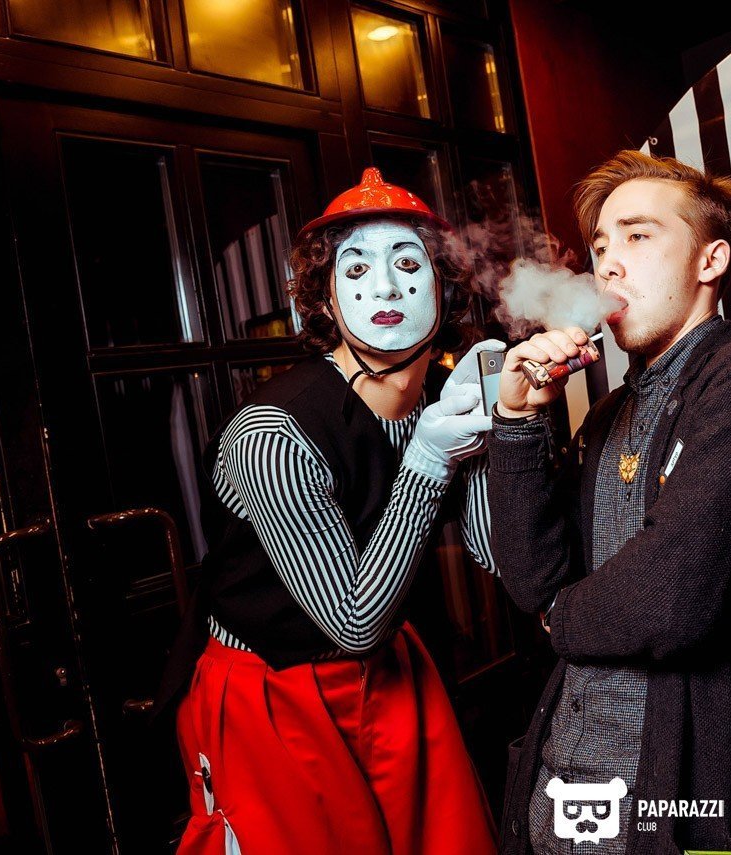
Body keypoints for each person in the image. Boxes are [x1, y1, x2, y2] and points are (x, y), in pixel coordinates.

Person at [486, 151, 731, 855]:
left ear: (711, 261)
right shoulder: (608, 413)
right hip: (567, 797)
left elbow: (672, 597)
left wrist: (558, 617)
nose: (607, 266)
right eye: (600, 248)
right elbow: (531, 577)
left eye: (638, 236)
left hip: (678, 808)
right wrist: (517, 420)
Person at [157, 168, 499, 854]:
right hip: (272, 693)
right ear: (326, 301)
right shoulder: (272, 433)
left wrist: (505, 426)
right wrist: (430, 458)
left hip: (392, 677)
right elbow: (354, 622)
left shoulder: (439, 397)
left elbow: (497, 555)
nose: (386, 287)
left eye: (409, 264)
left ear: (445, 287)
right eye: (357, 268)